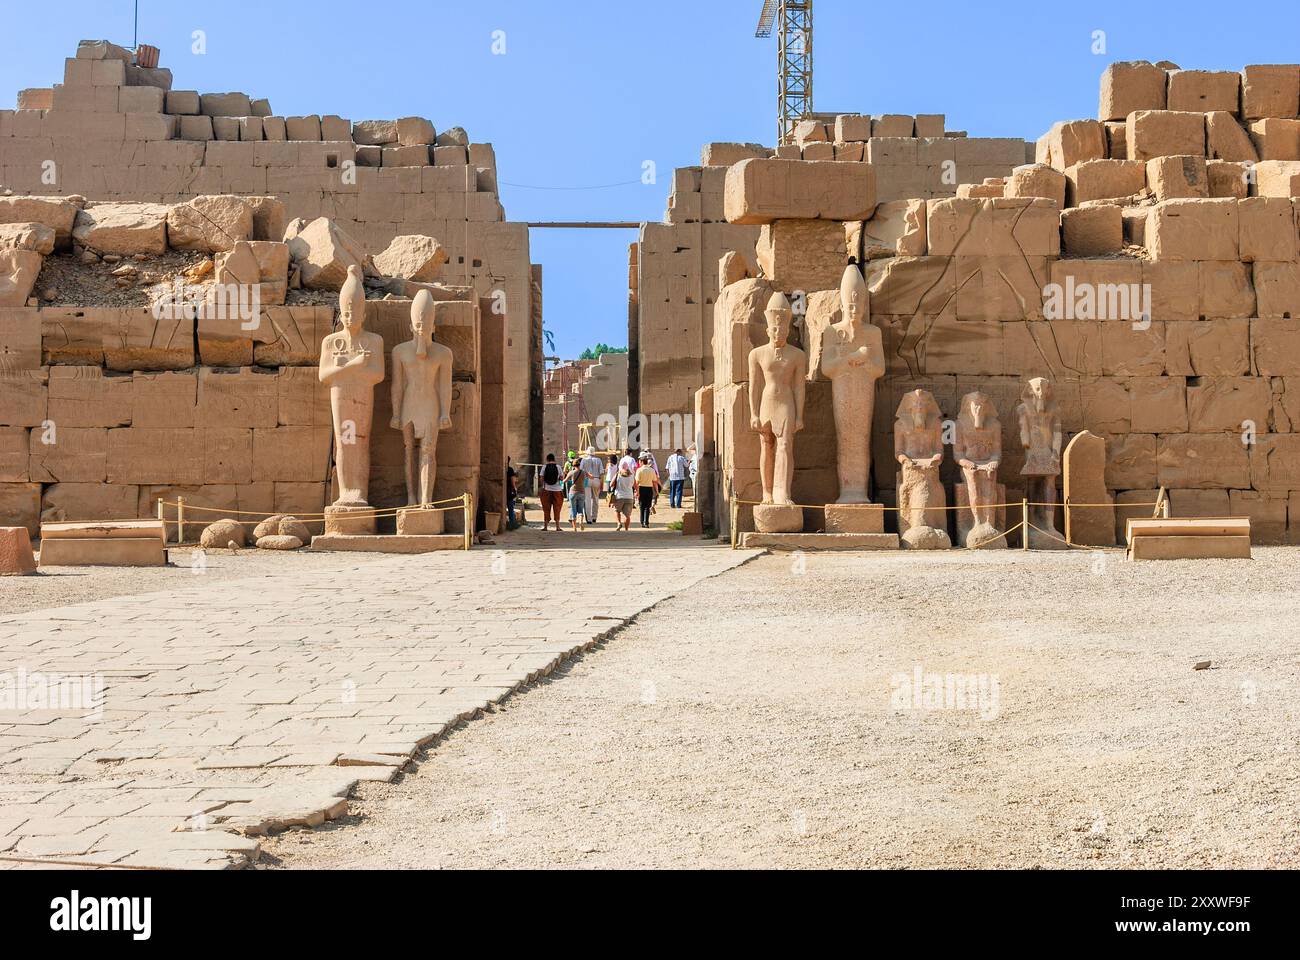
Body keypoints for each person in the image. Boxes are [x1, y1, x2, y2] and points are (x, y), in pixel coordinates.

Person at [540, 454, 565, 531]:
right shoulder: (558, 467)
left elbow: (541, 478)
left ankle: (545, 527)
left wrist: (544, 485)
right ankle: (557, 527)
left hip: (547, 490)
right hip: (557, 490)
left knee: (546, 508)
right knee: (557, 508)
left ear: (547, 459)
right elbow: (561, 478)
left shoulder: (544, 467)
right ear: (554, 459)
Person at [635, 453, 660, 528]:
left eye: (639, 461)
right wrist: (657, 491)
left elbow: (637, 482)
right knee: (647, 506)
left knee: (642, 506)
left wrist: (637, 491)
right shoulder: (652, 470)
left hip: (641, 488)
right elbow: (655, 482)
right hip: (649, 489)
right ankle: (646, 522)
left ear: (642, 462)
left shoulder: (639, 470)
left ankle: (642, 522)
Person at [580, 446, 604, 524]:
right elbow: (601, 473)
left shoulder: (584, 460)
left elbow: (581, 471)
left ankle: (589, 519)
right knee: (596, 499)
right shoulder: (598, 460)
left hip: (587, 479)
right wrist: (602, 483)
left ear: (587, 452)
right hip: (596, 479)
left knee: (587, 499)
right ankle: (594, 517)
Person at [562, 458, 587, 531]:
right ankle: (581, 522)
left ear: (573, 465)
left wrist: (561, 480)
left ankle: (574, 527)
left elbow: (565, 480)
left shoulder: (571, 472)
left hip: (573, 492)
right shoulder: (583, 472)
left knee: (573, 510)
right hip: (582, 492)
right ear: (579, 465)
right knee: (580, 510)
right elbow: (584, 479)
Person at [613, 462, 636, 531]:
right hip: (629, 497)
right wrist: (637, 492)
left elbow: (611, 484)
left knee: (617, 511)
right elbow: (635, 485)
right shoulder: (632, 475)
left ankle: (619, 523)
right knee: (627, 515)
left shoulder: (618, 475)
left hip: (619, 496)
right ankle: (626, 529)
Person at [505, 456, 518, 526]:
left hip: (504, 491)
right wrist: (515, 488)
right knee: (510, 508)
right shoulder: (510, 470)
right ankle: (512, 524)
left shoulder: (504, 469)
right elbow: (513, 481)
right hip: (509, 491)